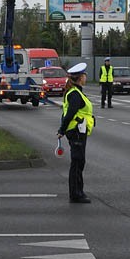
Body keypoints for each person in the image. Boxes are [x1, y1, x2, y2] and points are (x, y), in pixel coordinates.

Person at [57, 62, 95, 203]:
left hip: (79, 130)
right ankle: (76, 194)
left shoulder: (76, 92)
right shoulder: (75, 94)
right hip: (76, 131)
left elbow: (72, 112)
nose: (86, 77)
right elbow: (70, 114)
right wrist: (62, 129)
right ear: (80, 78)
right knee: (77, 162)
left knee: (79, 161)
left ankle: (78, 191)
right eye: (84, 75)